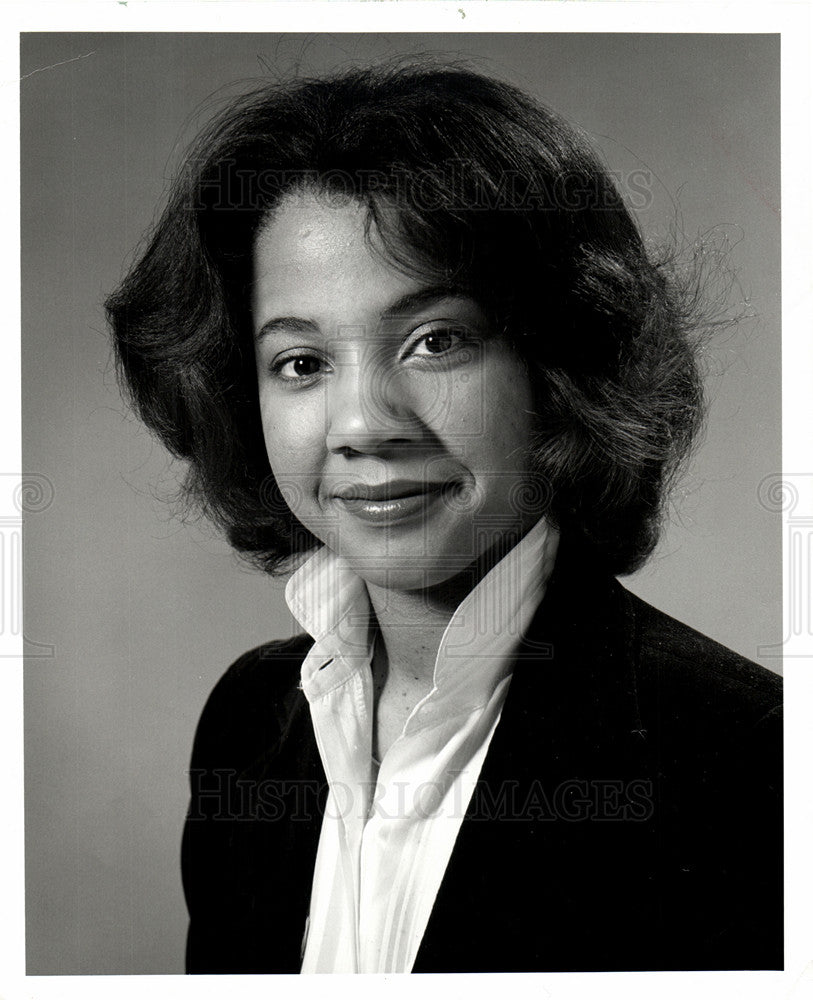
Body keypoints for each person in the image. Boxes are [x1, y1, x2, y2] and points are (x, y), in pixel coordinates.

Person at [105, 61, 782, 974]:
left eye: (435, 341)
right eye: (301, 362)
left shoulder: (748, 759)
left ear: (558, 364)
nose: (362, 426)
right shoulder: (249, 720)